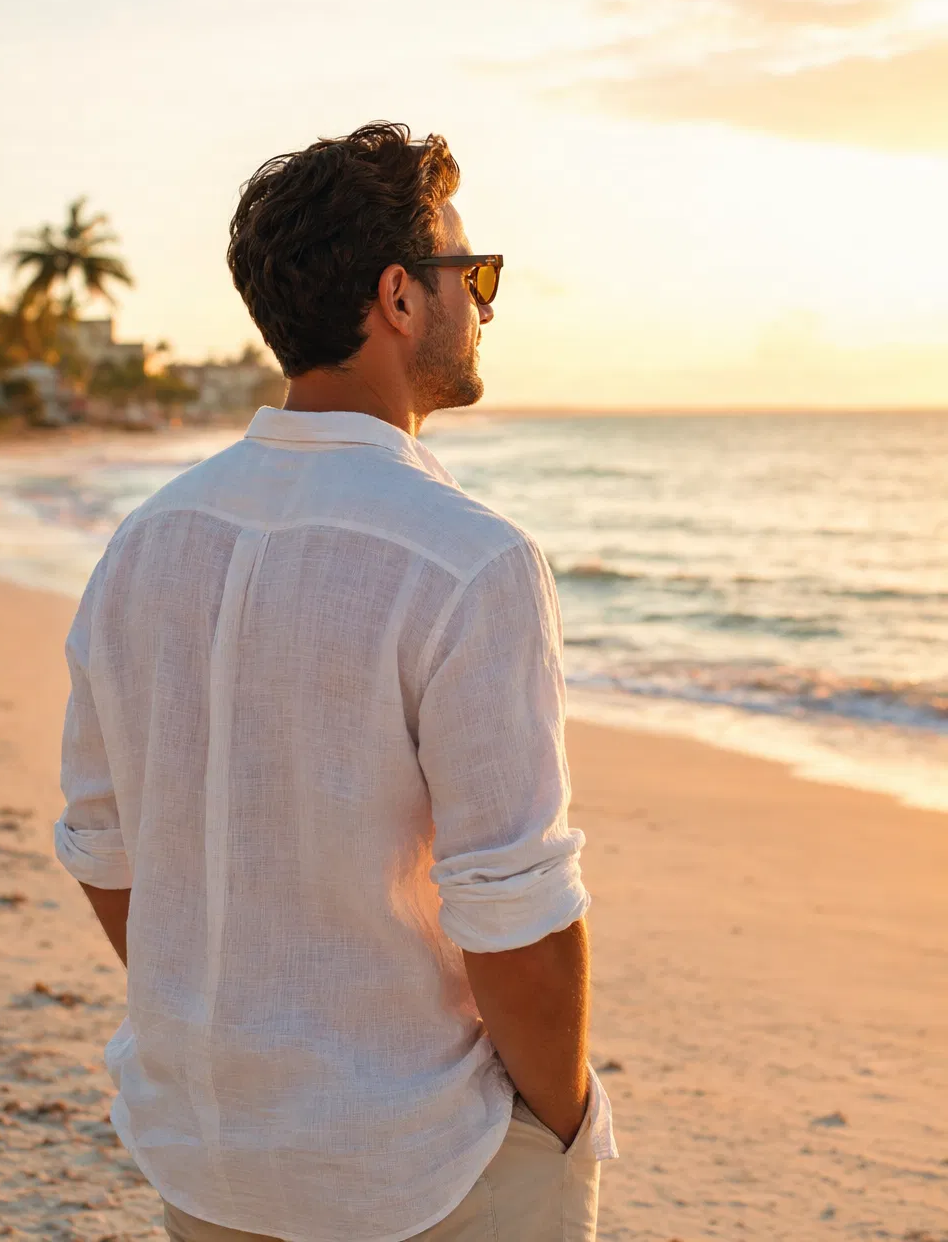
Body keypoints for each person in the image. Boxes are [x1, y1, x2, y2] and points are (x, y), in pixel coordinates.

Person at [54, 122, 616, 1242]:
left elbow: (107, 854)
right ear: (402, 297)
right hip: (416, 1164)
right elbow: (519, 920)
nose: (487, 304)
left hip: (209, 1155)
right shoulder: (467, 560)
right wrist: (565, 1120)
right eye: (475, 274)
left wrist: (245, 1027)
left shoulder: (144, 544)